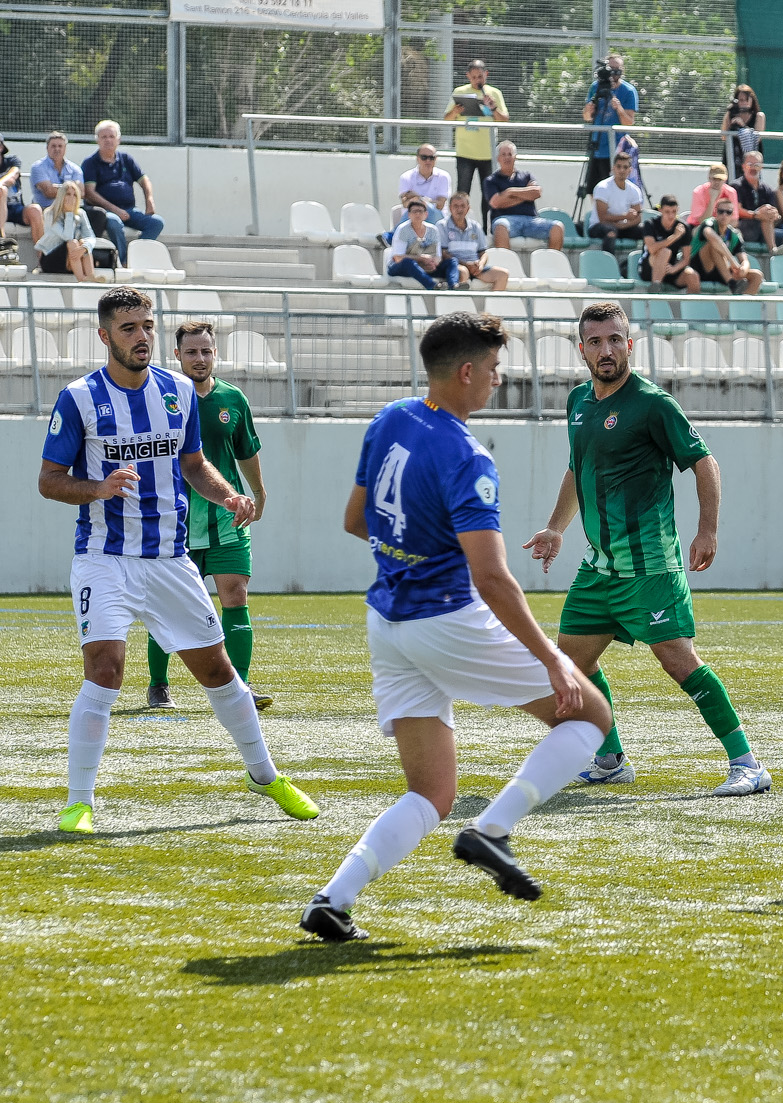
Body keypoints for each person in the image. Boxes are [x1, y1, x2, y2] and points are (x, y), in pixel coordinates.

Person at [300, 313, 614, 942]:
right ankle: (492, 831)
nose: (498, 382)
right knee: (590, 716)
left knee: (432, 792)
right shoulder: (469, 457)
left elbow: (356, 520)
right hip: (443, 619)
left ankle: (332, 901)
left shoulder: (390, 418)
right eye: (495, 370)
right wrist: (553, 659)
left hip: (387, 621)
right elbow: (494, 578)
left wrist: (411, 551)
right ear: (467, 372)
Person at [38, 286, 315, 836]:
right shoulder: (79, 399)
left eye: (146, 326)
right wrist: (98, 488)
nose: (141, 337)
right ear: (104, 336)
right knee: (106, 669)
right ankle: (78, 802)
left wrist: (228, 494)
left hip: (170, 559)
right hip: (105, 557)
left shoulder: (178, 393)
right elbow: (48, 481)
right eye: (128, 328)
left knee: (217, 671)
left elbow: (193, 464)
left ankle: (266, 776)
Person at [520, 301, 773, 797]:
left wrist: (708, 530)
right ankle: (610, 758)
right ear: (582, 350)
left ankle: (747, 763)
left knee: (679, 662)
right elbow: (578, 469)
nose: (606, 349)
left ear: (630, 344)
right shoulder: (578, 402)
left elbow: (704, 463)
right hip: (599, 571)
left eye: (615, 339)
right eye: (596, 341)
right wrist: (556, 528)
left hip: (651, 567)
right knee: (571, 663)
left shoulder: (653, 403)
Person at [144, 320, 270, 710]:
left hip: (226, 520)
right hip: (174, 522)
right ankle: (158, 684)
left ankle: (241, 688)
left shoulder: (233, 399)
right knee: (167, 605)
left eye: (206, 351)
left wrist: (259, 492)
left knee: (235, 594)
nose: (200, 359)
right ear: (177, 355)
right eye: (192, 352)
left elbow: (246, 451)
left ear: (215, 354)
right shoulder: (159, 396)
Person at [80, 121, 163, 265]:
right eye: (104, 137)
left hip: (130, 209)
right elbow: (90, 194)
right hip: (105, 211)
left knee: (156, 223)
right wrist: (115, 210)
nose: (108, 140)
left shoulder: (126, 159)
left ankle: (134, 256)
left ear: (118, 139)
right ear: (97, 139)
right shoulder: (90, 163)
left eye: (111, 136)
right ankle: (123, 262)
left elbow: (144, 181)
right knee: (114, 222)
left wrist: (149, 200)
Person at [442, 59, 509, 225]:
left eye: (480, 76)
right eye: (474, 77)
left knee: (488, 194)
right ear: (468, 76)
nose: (478, 80)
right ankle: (459, 226)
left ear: (486, 74)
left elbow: (505, 120)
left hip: (488, 154)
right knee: (463, 193)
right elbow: (447, 119)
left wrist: (493, 108)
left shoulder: (494, 93)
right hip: (465, 153)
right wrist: (456, 110)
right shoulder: (460, 91)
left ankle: (487, 229)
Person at [485, 143, 564, 251]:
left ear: (515, 157)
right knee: (500, 226)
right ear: (498, 158)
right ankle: (505, 266)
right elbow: (496, 202)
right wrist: (526, 195)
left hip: (531, 220)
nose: (507, 157)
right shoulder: (491, 180)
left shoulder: (526, 176)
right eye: (503, 154)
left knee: (557, 227)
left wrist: (510, 192)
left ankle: (551, 264)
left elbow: (537, 192)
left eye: (510, 154)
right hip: (506, 220)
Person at [580, 55, 639, 194]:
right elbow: (587, 117)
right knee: (593, 189)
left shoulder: (628, 91)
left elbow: (629, 122)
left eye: (617, 70)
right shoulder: (596, 87)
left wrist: (618, 108)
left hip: (616, 149)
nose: (613, 74)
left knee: (613, 189)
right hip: (596, 147)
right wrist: (588, 110)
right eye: (610, 69)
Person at [439, 192, 510, 290]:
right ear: (450, 208)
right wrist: (466, 264)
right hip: (456, 267)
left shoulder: (476, 226)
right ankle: (461, 304)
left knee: (503, 274)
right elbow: (444, 253)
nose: (459, 209)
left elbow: (483, 252)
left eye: (463, 206)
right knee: (463, 272)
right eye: (456, 206)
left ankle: (492, 305)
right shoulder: (442, 226)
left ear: (468, 208)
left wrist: (480, 265)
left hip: (475, 268)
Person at [386, 197, 459, 290]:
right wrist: (421, 259)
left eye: (420, 211)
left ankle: (454, 285)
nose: (417, 214)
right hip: (401, 267)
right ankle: (432, 286)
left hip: (425, 266)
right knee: (408, 263)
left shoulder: (433, 230)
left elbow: (438, 256)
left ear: (426, 214)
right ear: (408, 215)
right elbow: (398, 258)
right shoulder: (403, 229)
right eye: (414, 211)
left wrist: (433, 263)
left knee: (452, 261)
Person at [694, 201, 763, 295]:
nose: (724, 215)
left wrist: (743, 269)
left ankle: (742, 306)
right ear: (716, 212)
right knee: (714, 244)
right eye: (721, 211)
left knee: (757, 275)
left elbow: (744, 260)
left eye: (728, 212)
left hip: (721, 271)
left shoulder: (734, 235)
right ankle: (732, 283)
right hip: (699, 269)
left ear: (732, 214)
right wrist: (732, 261)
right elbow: (712, 237)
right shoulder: (709, 223)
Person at [730, 150, 783, 256]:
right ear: (743, 166)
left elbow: (776, 213)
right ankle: (773, 249)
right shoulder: (736, 186)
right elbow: (737, 210)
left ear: (761, 167)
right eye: (750, 164)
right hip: (744, 228)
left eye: (757, 165)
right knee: (764, 216)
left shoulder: (767, 189)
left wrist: (774, 215)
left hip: (766, 230)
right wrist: (756, 215)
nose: (753, 168)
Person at [36, 181, 95, 279]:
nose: (72, 198)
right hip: (51, 258)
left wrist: (84, 247)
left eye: (75, 195)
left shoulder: (81, 213)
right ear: (61, 196)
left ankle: (91, 276)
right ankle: (82, 279)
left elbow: (90, 236)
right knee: (72, 243)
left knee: (83, 242)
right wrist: (69, 213)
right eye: (68, 194)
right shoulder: (50, 214)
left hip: (71, 256)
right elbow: (67, 237)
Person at [640, 193, 699, 290]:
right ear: (660, 210)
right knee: (665, 252)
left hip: (670, 267)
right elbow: (652, 249)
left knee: (692, 275)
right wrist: (675, 236)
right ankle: (655, 288)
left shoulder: (684, 227)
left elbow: (686, 259)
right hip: (650, 268)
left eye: (674, 211)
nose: (671, 215)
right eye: (667, 212)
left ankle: (693, 304)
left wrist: (674, 269)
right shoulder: (650, 224)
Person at [590, 150, 646, 251]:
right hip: (598, 227)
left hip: (622, 227)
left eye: (625, 167)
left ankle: (644, 263)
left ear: (630, 170)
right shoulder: (603, 187)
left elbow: (638, 218)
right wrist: (625, 217)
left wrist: (623, 225)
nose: (621, 170)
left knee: (646, 231)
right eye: (618, 166)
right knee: (610, 232)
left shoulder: (634, 190)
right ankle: (608, 265)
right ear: (613, 168)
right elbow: (602, 218)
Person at [1, 137, 47, 243]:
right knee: (2, 191)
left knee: (35, 210)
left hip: (16, 208)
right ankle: (1, 240)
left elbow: (13, 176)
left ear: (1, 147)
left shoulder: (12, 161)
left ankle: (43, 257)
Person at [30, 131, 81, 217]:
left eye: (60, 146)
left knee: (96, 214)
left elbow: (81, 191)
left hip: (70, 210)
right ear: (47, 148)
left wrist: (57, 188)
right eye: (53, 146)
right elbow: (49, 192)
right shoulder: (38, 167)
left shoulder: (75, 169)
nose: (57, 149)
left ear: (65, 148)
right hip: (46, 210)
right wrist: (70, 189)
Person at [397, 144, 452, 219]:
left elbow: (440, 205)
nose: (428, 161)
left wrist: (418, 198)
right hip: (412, 220)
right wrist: (431, 201)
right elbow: (406, 204)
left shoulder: (444, 177)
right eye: (424, 157)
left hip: (436, 221)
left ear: (436, 159)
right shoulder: (406, 177)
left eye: (431, 158)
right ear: (417, 158)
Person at [721, 82, 764, 172]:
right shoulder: (731, 114)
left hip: (751, 158)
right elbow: (724, 136)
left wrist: (743, 126)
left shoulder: (758, 116)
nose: (744, 103)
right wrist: (729, 113)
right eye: (741, 100)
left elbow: (757, 138)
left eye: (746, 100)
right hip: (733, 156)